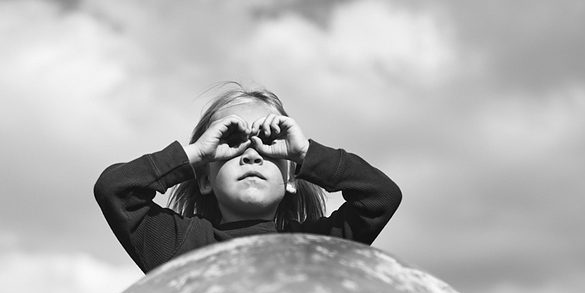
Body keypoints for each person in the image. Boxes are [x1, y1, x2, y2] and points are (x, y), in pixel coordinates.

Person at [94, 83, 402, 273]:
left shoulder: (314, 248)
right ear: (204, 180)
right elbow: (115, 189)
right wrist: (195, 154)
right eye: (231, 147)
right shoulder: (181, 245)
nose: (252, 155)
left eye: (269, 149)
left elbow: (380, 197)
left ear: (292, 177)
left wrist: (305, 152)